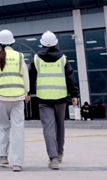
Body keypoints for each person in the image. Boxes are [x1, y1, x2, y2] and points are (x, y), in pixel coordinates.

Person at [29, 31, 79, 170]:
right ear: (55, 43)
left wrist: (28, 92)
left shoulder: (36, 58)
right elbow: (70, 76)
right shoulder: (63, 58)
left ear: (42, 43)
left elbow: (31, 76)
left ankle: (53, 158)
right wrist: (74, 94)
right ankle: (59, 153)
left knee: (48, 128)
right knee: (60, 126)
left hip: (44, 98)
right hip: (60, 97)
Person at [0, 29, 30, 172]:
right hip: (18, 97)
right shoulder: (19, 56)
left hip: (1, 97)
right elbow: (25, 76)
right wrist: (27, 92)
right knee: (18, 130)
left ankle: (3, 156)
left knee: (3, 127)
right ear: (12, 42)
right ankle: (17, 163)